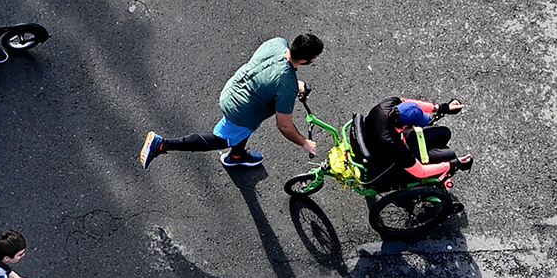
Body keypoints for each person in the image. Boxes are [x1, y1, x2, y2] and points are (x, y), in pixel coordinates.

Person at [139, 34, 323, 169]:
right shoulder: (286, 86)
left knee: (244, 130)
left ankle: (237, 155)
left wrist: (294, 84)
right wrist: (304, 142)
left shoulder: (277, 43)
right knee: (220, 140)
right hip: (241, 112)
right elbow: (284, 126)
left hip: (232, 90)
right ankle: (162, 144)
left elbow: (270, 75)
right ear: (306, 60)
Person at [360, 97, 472, 187]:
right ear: (405, 127)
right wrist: (452, 164)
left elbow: (411, 103)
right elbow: (421, 172)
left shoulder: (389, 104)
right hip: (388, 161)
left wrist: (441, 108)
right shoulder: (393, 145)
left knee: (444, 133)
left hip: (378, 140)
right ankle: (437, 176)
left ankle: (436, 154)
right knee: (450, 156)